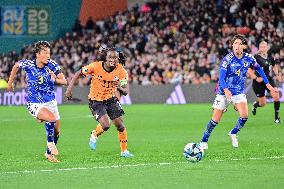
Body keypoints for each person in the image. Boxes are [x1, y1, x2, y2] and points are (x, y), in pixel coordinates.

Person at [199, 34, 277, 150]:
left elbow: (259, 69)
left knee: (244, 116)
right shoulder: (227, 59)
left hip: (238, 91)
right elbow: (221, 77)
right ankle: (204, 140)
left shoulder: (249, 58)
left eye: (240, 44)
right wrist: (225, 90)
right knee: (215, 120)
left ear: (244, 46)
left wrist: (267, 84)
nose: (237, 46)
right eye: (235, 44)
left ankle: (233, 132)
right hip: (223, 91)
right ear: (232, 45)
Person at [65, 48, 134, 157]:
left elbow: (125, 91)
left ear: (118, 59)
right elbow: (79, 73)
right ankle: (94, 134)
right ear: (106, 58)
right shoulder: (95, 66)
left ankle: (124, 151)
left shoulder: (121, 71)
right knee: (106, 125)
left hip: (111, 100)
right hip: (96, 101)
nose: (112, 60)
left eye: (115, 58)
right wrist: (69, 89)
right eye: (110, 57)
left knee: (120, 125)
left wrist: (119, 87)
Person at [7, 41, 67, 162]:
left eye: (49, 53)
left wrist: (54, 79)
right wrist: (10, 82)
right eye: (45, 53)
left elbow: (64, 81)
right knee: (51, 119)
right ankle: (50, 146)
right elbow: (16, 66)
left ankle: (48, 153)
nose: (48, 55)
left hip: (50, 101)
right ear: (37, 54)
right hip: (34, 102)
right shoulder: (28, 64)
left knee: (57, 131)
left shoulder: (52, 65)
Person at [250, 41, 282, 124]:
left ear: (267, 48)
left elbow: (274, 66)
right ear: (259, 48)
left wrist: (277, 74)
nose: (263, 49)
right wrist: (256, 78)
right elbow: (249, 70)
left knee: (276, 96)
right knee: (263, 104)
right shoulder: (255, 57)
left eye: (264, 47)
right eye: (261, 47)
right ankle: (255, 105)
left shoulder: (270, 57)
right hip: (258, 82)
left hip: (269, 79)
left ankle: (276, 118)